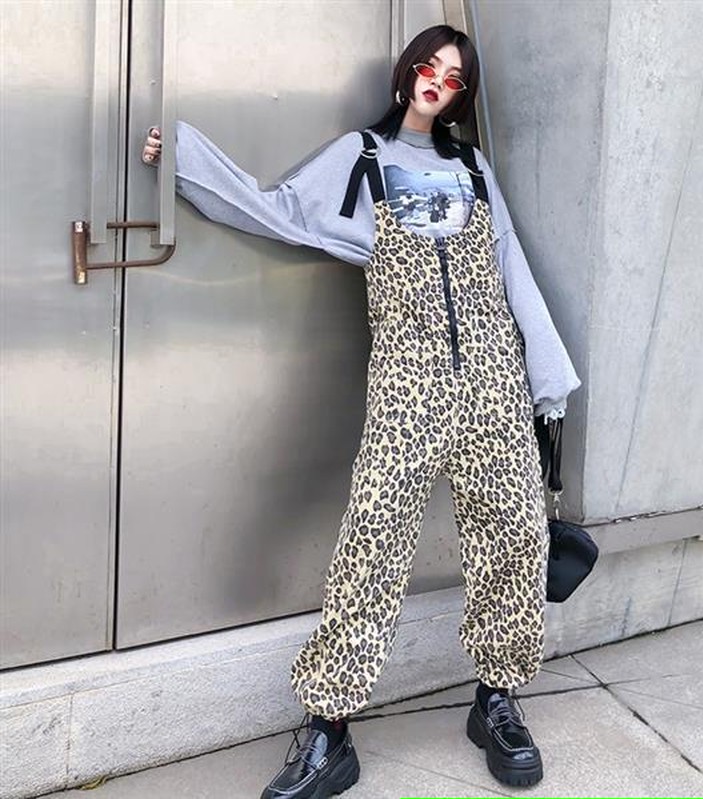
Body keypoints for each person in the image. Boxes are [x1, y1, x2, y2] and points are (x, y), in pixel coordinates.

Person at [143, 24, 580, 799]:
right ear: (407, 71)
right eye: (429, 65)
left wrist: (547, 381)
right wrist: (181, 158)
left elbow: (511, 265)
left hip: (494, 381)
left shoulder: (472, 168)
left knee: (514, 536)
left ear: (462, 95)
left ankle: (497, 700)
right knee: (371, 543)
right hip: (406, 385)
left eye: (454, 75)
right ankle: (329, 728)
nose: (437, 80)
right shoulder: (361, 158)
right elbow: (278, 210)